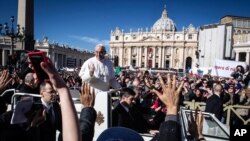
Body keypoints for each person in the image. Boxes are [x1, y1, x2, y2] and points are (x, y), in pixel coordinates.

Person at [40, 57, 81, 141]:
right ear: (42, 93)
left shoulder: (55, 106)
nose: (54, 94)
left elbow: (62, 126)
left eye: (54, 91)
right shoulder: (34, 107)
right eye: (50, 92)